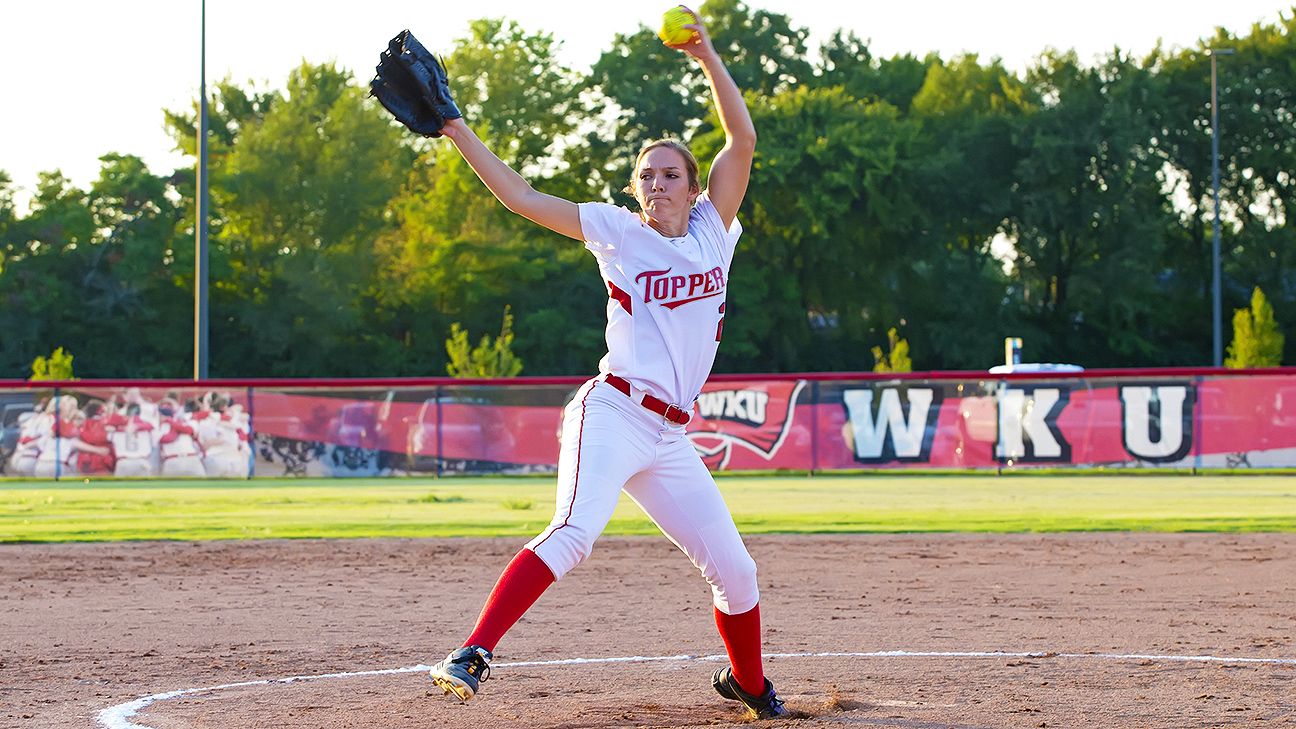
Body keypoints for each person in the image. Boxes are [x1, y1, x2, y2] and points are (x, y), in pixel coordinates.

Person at [424, 9, 786, 719]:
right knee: (575, 531)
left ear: (693, 186)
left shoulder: (715, 229)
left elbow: (742, 139)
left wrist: (709, 55)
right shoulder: (619, 234)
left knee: (737, 573)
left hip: (670, 436)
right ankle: (473, 650)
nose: (657, 183)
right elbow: (522, 196)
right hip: (614, 411)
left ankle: (747, 682)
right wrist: (453, 126)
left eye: (670, 173)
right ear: (635, 189)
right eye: (646, 175)